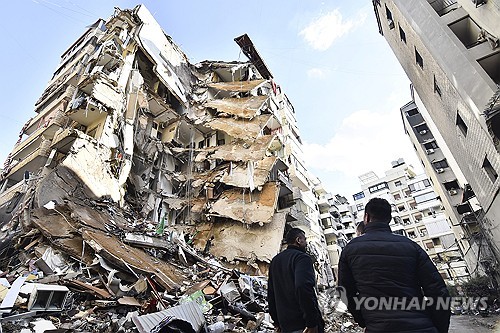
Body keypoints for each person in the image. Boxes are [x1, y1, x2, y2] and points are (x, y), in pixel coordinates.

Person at [338, 198, 450, 333]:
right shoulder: (411, 246)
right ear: (389, 218)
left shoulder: (349, 250)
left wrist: (364, 320)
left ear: (366, 217)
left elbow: (345, 292)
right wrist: (438, 327)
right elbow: (438, 291)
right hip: (420, 326)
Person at [268, 228, 324, 333]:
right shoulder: (302, 258)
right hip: (303, 326)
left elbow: (271, 295)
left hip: (285, 326)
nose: (306, 243)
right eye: (305, 239)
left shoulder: (275, 261)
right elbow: (303, 287)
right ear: (298, 240)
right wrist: (311, 323)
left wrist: (277, 322)